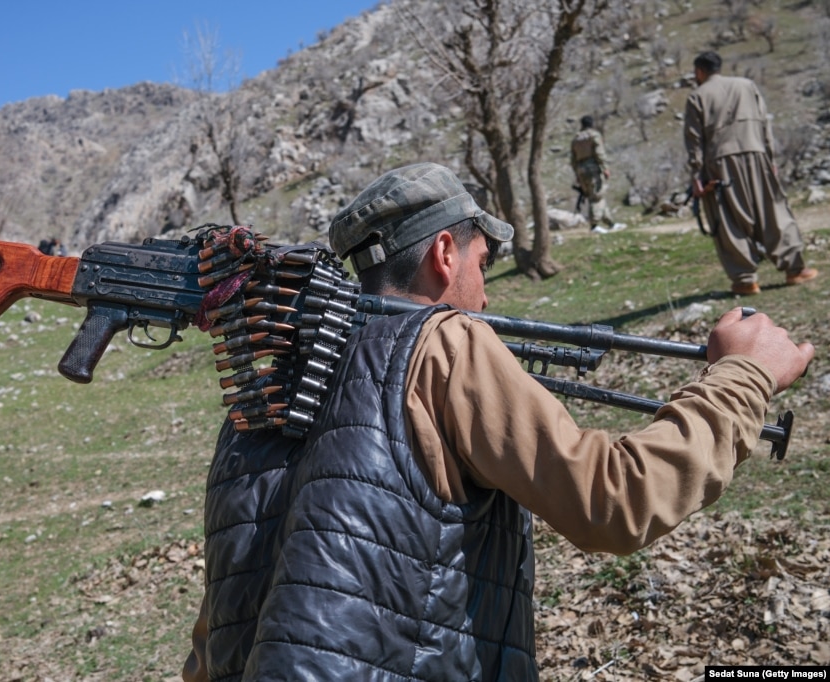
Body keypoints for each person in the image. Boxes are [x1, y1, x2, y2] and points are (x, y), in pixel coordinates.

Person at [182, 162, 814, 681]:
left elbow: (219, 619)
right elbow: (613, 499)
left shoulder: (269, 379)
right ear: (443, 254)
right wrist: (745, 376)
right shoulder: (443, 342)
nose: (485, 296)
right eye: (483, 263)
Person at [684, 51, 818, 295]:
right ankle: (794, 269)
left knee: (729, 220)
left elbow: (694, 140)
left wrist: (696, 176)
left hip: (719, 164)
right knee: (773, 211)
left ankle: (745, 280)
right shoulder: (747, 85)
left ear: (700, 72)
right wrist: (770, 158)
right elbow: (764, 122)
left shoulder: (697, 96)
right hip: (757, 154)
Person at [570, 115, 625, 234]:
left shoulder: (576, 139)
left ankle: (610, 223)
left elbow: (573, 159)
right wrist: (605, 167)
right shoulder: (594, 135)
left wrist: (577, 175)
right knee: (597, 195)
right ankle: (594, 225)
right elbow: (599, 152)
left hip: (581, 170)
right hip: (592, 168)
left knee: (595, 195)